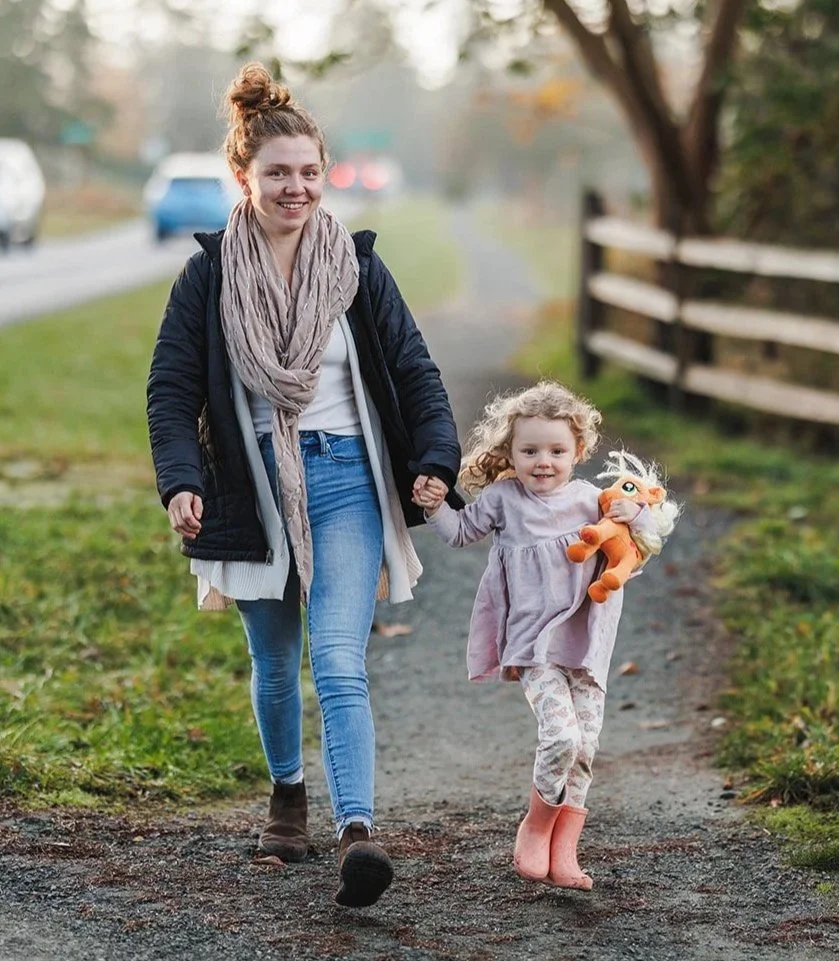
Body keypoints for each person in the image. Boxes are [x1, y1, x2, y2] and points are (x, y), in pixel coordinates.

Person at [145, 62, 462, 909]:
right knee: (275, 661)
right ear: (243, 177)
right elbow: (172, 389)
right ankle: (289, 792)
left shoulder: (356, 268)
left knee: (339, 660)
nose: (297, 188)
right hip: (249, 484)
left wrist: (435, 458)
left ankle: (358, 829)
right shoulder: (209, 277)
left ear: (326, 174)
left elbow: (414, 371)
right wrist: (180, 479)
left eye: (310, 172)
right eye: (278, 173)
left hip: (347, 476)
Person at [412, 381, 679, 890]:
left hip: (586, 643)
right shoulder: (503, 499)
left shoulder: (591, 501)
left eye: (556, 451)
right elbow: (459, 532)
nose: (543, 461)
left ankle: (565, 849)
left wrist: (635, 513)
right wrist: (435, 503)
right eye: (529, 450)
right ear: (509, 452)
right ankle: (535, 828)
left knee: (586, 746)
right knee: (561, 736)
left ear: (578, 452)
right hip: (534, 645)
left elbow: (640, 545)